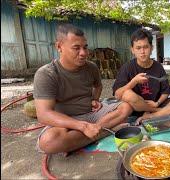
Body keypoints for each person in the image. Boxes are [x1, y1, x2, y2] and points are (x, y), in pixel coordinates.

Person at [33, 24, 132, 154]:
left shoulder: (91, 67)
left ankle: (90, 134)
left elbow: (98, 85)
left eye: (85, 47)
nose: (84, 53)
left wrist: (95, 99)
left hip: (92, 114)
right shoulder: (47, 74)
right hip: (66, 120)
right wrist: (83, 126)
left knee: (126, 108)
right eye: (76, 48)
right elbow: (43, 114)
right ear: (59, 47)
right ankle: (105, 131)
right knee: (49, 141)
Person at [112, 28, 170, 124]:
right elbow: (117, 95)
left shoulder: (158, 67)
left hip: (156, 104)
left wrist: (157, 103)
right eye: (138, 48)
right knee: (127, 94)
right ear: (132, 50)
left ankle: (150, 115)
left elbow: (166, 91)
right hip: (135, 108)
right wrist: (134, 81)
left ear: (151, 48)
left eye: (146, 47)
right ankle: (158, 112)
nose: (142, 51)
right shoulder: (127, 67)